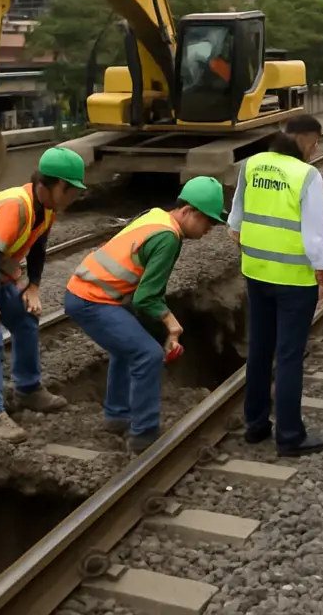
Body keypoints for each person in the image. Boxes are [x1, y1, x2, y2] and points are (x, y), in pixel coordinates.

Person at [65, 177, 227, 454]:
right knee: (147, 355)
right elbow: (145, 298)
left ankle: (117, 417)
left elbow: (149, 294)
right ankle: (143, 436)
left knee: (128, 349)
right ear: (187, 211)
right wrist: (172, 325)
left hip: (87, 293)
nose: (209, 230)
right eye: (207, 222)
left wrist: (163, 329)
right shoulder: (169, 237)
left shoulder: (156, 217)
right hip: (93, 300)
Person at [0, 146, 87, 442]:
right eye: (69, 189)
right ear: (46, 185)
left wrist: (33, 286)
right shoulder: (15, 206)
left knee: (26, 320)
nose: (73, 196)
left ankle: (28, 389)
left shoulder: (46, 208)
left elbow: (38, 248)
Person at [228, 114, 323, 457]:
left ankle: (255, 425)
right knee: (288, 355)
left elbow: (235, 224)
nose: (315, 151)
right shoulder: (306, 175)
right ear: (305, 140)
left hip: (256, 273)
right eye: (315, 144)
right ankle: (290, 436)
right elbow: (315, 235)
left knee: (259, 349)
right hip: (293, 280)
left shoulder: (251, 164)